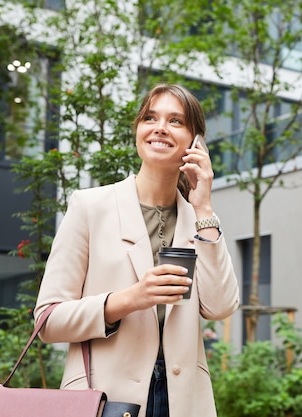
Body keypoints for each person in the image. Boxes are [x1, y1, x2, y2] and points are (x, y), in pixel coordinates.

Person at [34, 83, 240, 417]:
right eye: (150, 117)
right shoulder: (90, 207)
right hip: (105, 399)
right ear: (138, 130)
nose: (160, 127)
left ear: (195, 142)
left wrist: (204, 209)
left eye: (175, 121)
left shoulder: (199, 221)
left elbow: (220, 307)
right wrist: (131, 298)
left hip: (183, 401)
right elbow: (47, 320)